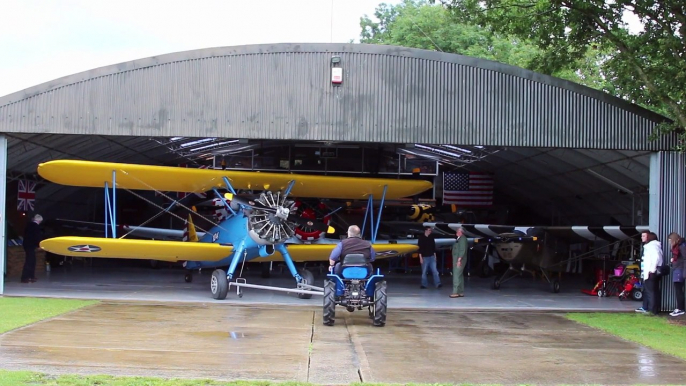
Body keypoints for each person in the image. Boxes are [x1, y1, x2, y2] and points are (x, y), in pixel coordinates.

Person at [636, 231, 662, 315]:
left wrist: (652, 270)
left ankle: (652, 310)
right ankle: (647, 307)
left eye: (644, 236)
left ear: (648, 237)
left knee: (651, 291)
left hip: (650, 273)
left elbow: (656, 258)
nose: (642, 237)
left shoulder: (651, 247)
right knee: (650, 291)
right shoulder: (652, 246)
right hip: (649, 272)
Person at [21, 214, 43, 283]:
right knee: (30, 261)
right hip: (31, 246)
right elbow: (37, 237)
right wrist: (39, 245)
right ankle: (26, 277)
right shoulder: (36, 227)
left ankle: (30, 276)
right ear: (40, 221)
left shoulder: (28, 225)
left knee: (30, 260)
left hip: (27, 245)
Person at [668, 232, 686, 316]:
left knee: (678, 290)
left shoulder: (681, 246)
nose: (670, 242)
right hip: (677, 269)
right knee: (678, 289)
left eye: (670, 240)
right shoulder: (678, 246)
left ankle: (680, 308)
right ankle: (679, 308)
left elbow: (685, 259)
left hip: (680, 270)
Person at [450, 227, 467, 298]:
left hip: (459, 260)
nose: (456, 232)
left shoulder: (462, 239)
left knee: (456, 275)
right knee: (460, 276)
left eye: (457, 231)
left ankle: (455, 292)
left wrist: (459, 260)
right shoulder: (460, 239)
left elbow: (462, 250)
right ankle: (460, 292)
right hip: (457, 260)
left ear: (461, 232)